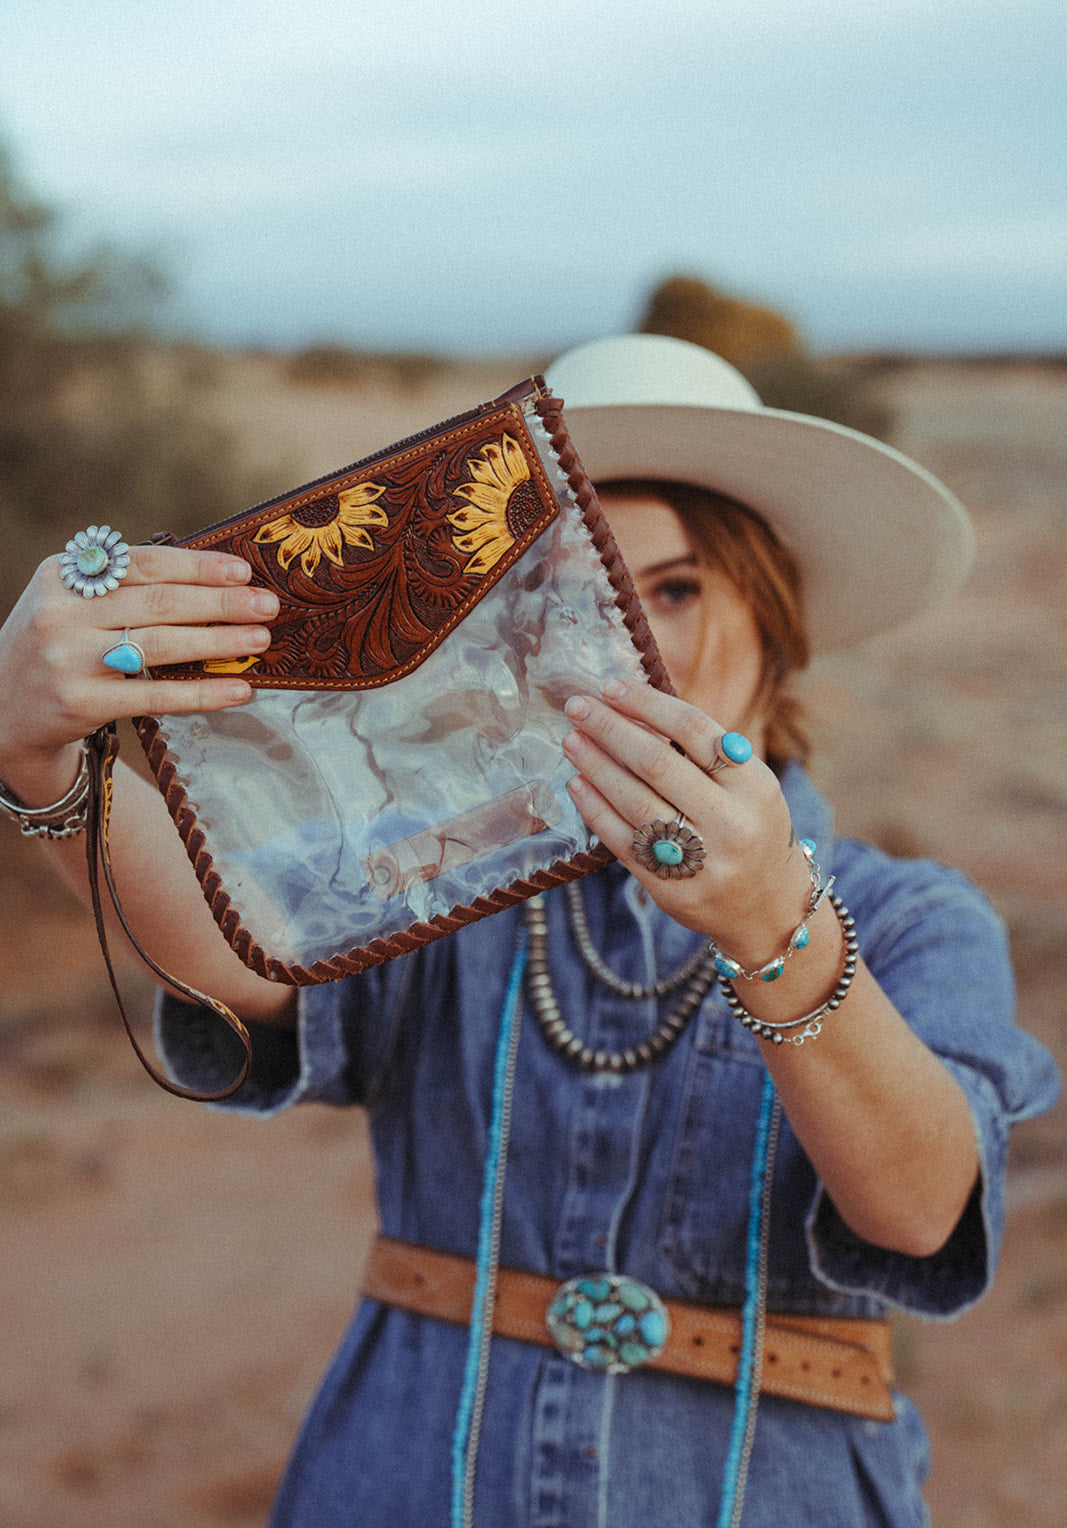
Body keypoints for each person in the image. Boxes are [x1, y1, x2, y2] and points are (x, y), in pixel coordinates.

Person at [0, 332, 1058, 1527]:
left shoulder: (914, 915)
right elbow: (240, 931)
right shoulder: (444, 873)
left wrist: (771, 916)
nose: (629, 644)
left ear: (775, 619)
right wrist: (42, 762)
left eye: (674, 589)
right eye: (573, 596)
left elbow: (917, 1211)